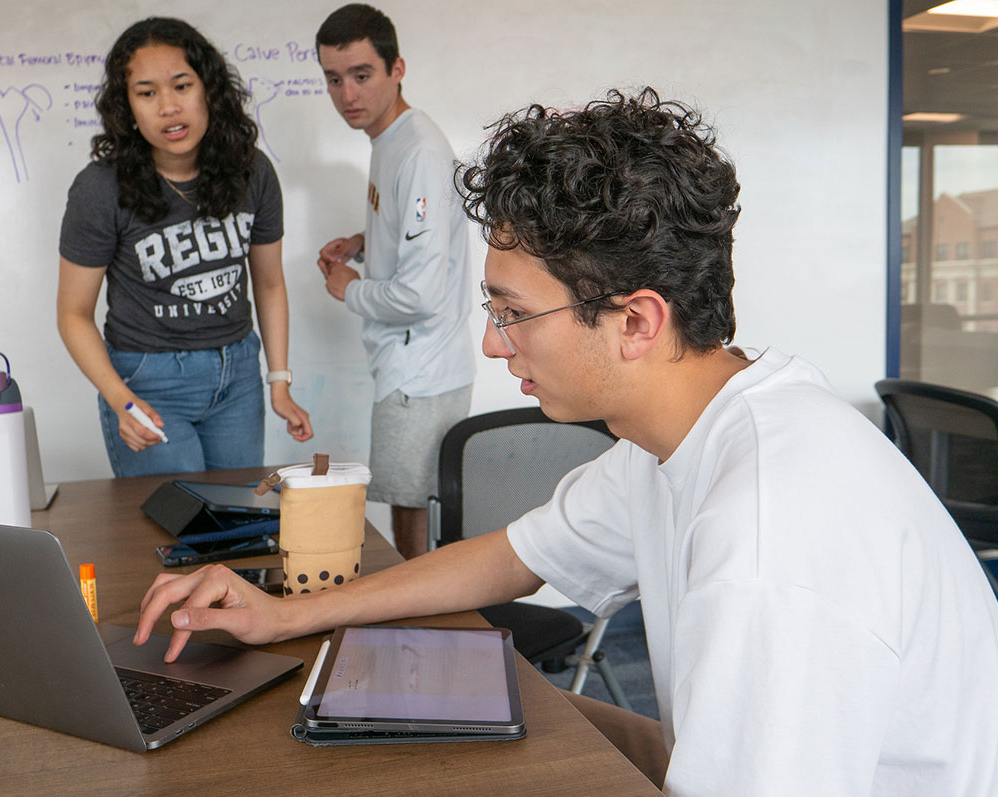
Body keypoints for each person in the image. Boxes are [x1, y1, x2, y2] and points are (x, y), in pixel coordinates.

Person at [134, 88, 998, 795]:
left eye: (513, 313)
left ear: (636, 321)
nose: (492, 343)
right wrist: (286, 613)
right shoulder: (677, 435)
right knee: (504, 726)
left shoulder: (768, 540)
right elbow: (509, 556)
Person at [57, 17, 313, 478]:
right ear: (127, 106)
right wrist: (122, 399)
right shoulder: (100, 189)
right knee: (173, 536)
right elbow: (74, 313)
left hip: (237, 376)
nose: (169, 108)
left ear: (208, 90)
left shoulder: (252, 171)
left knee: (235, 525)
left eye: (181, 85)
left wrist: (278, 381)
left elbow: (270, 284)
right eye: (147, 92)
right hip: (148, 382)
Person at [313, 4, 475, 559]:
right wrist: (364, 239)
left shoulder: (419, 151)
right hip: (413, 369)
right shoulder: (391, 140)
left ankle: (420, 638)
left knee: (411, 525)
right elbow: (417, 230)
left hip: (420, 373)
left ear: (396, 68)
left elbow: (421, 294)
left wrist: (349, 288)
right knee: (407, 510)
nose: (347, 94)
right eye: (334, 79)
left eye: (361, 75)